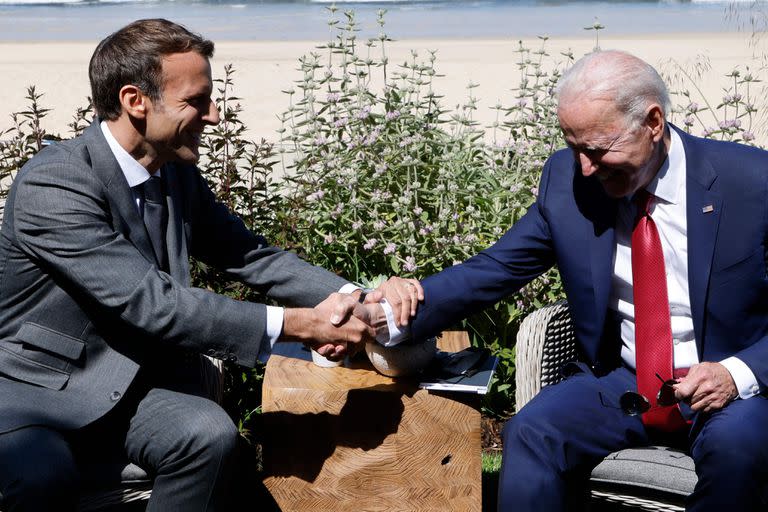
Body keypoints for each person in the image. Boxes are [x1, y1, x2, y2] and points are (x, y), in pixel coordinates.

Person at [0, 18, 422, 511]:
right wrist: (299, 325)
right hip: (36, 396)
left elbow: (250, 256)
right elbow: (154, 304)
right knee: (43, 475)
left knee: (208, 435)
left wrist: (360, 298)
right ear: (137, 101)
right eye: (197, 101)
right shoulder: (55, 186)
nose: (214, 115)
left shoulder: (173, 175)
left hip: (131, 392)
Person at [404, 50, 768, 510]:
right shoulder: (567, 180)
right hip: (624, 381)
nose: (585, 168)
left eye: (597, 149)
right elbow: (494, 269)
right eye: (573, 146)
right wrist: (389, 313)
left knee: (738, 450)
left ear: (653, 123)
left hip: (734, 390)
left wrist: (738, 374)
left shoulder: (753, 182)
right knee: (530, 431)